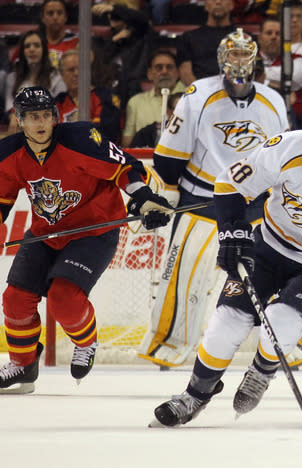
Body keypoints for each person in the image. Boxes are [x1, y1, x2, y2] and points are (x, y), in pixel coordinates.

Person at [151, 93, 302, 427]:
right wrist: (232, 231)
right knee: (227, 322)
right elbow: (229, 184)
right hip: (269, 248)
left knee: (280, 322)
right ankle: (195, 395)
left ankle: (261, 372)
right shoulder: (287, 148)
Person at [0, 87, 173, 394]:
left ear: (55, 118)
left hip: (94, 230)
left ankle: (86, 342)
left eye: (45, 116)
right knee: (15, 300)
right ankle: (23, 366)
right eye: (32, 117)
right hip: (44, 234)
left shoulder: (80, 139)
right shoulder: (8, 153)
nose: (40, 123)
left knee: (64, 299)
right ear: (20, 121)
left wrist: (143, 199)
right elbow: (3, 198)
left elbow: (125, 167)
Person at [137, 28, 289, 369]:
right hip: (202, 199)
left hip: (253, 204)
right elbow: (168, 156)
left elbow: (282, 157)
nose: (237, 61)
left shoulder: (273, 100)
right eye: (231, 54)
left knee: (273, 272)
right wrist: (169, 191)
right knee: (183, 273)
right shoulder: (197, 94)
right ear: (222, 58)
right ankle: (168, 344)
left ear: (254, 60)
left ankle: (287, 345)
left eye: (243, 54)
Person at [91, 1, 155, 110]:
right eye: (110, 14)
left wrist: (113, 9)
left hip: (133, 85)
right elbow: (100, 60)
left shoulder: (140, 34)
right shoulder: (106, 40)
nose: (112, 17)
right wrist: (114, 41)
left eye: (117, 14)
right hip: (110, 86)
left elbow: (143, 19)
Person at [5, 30, 66, 134]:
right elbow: (10, 106)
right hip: (21, 128)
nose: (32, 49)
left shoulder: (56, 77)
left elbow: (59, 108)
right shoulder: (12, 78)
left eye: (36, 45)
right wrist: (14, 116)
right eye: (27, 46)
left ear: (44, 50)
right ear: (22, 52)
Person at [122, 49, 187, 147]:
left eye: (169, 67)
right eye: (158, 68)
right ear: (149, 74)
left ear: (178, 72)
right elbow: (127, 142)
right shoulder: (135, 102)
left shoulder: (190, 99)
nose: (164, 71)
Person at [54, 49, 121, 143]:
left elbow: (107, 134)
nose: (76, 73)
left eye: (80, 69)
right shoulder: (57, 103)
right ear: (62, 75)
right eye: (71, 70)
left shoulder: (106, 97)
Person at [258, 16, 302, 129]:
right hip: (257, 117)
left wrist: (260, 77)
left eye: (278, 34)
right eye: (269, 33)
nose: (273, 37)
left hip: (294, 121)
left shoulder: (298, 60)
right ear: (260, 38)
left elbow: (292, 76)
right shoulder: (251, 59)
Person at [176, 0, 235, 86]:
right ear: (206, 5)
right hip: (200, 94)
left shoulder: (244, 38)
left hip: (236, 93)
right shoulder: (188, 37)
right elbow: (185, 73)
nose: (218, 2)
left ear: (232, 5)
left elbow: (254, 72)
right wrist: (201, 94)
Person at [39, 0, 78, 69]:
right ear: (43, 18)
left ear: (65, 17)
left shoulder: (77, 42)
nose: (55, 17)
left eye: (59, 13)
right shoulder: (32, 42)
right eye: (50, 13)